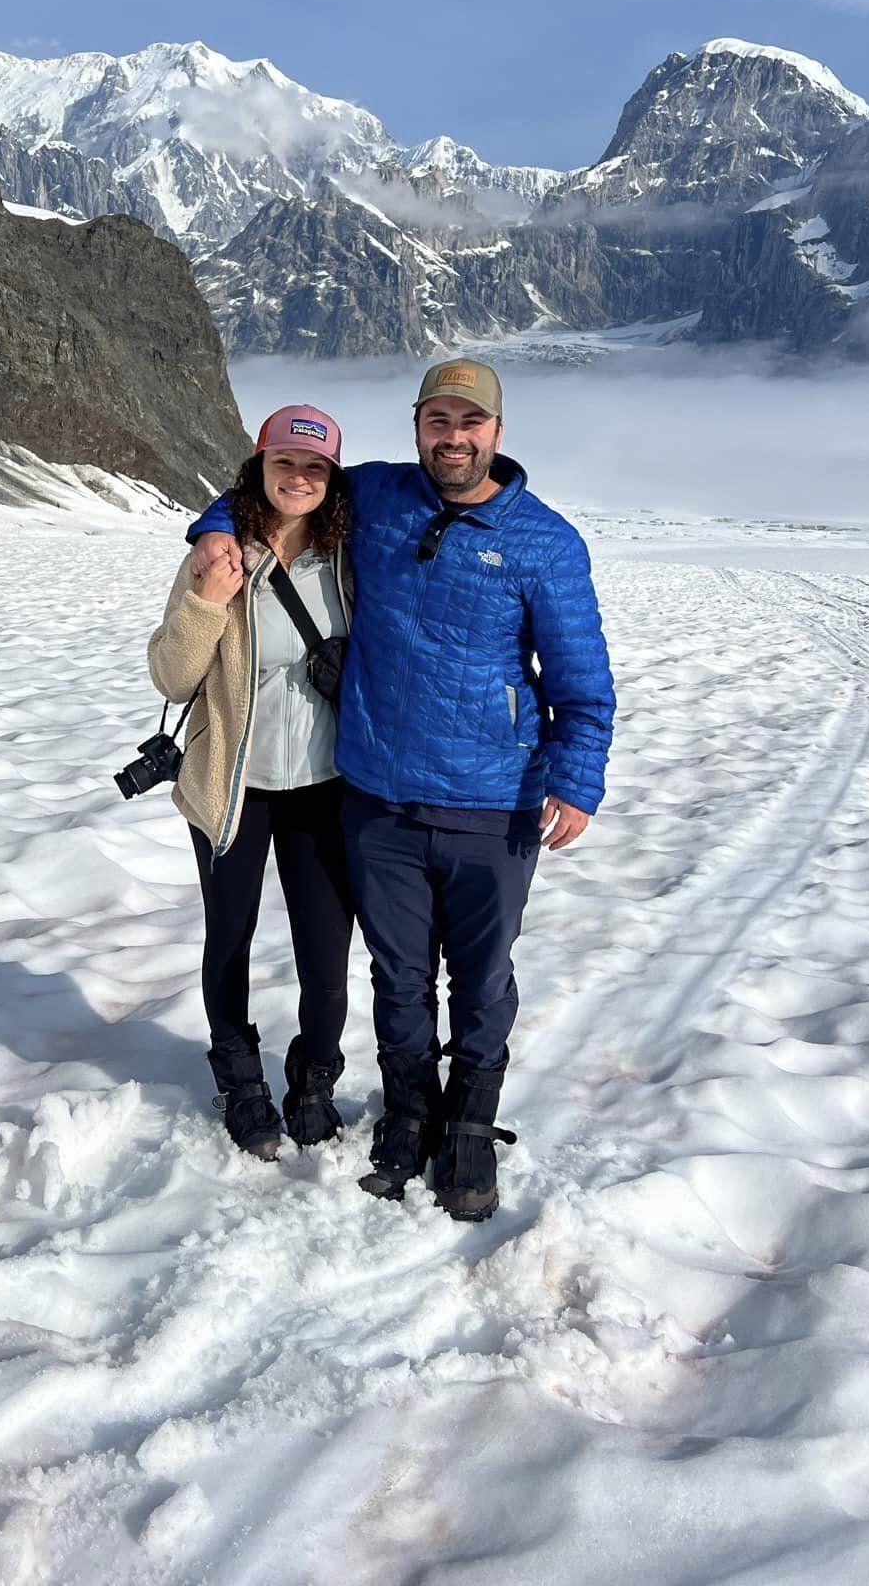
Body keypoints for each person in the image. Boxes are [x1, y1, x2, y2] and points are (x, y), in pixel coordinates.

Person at [188, 358, 615, 1221]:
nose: (453, 439)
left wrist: (576, 776)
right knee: (398, 975)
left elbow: (583, 681)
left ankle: (468, 1124)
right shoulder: (377, 498)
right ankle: (410, 1110)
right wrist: (206, 529)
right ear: (417, 424)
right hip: (377, 798)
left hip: (491, 802)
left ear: (497, 432)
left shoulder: (545, 541)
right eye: (437, 422)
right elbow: (278, 490)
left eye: (471, 424)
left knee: (483, 977)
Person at [148, 405, 358, 1163]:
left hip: (326, 787)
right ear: (258, 466)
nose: (298, 478)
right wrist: (206, 600)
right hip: (231, 787)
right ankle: (240, 1080)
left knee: (326, 956)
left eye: (315, 467)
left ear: (331, 478)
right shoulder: (219, 554)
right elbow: (173, 677)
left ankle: (314, 1079)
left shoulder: (349, 553)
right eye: (284, 464)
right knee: (228, 941)